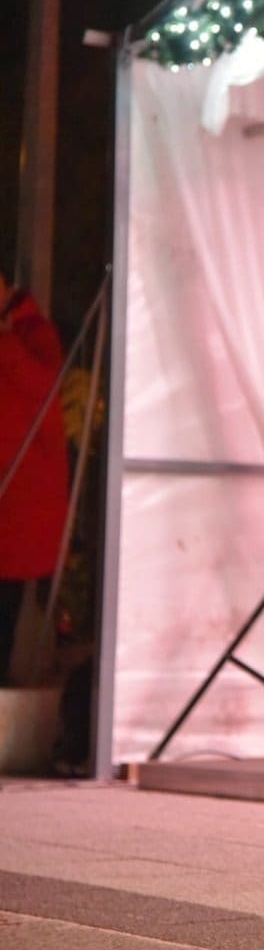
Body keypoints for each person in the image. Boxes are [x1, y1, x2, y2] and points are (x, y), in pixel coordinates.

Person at [0, 269, 69, 686]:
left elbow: (44, 387)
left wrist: (5, 341)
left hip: (18, 500)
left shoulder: (34, 334)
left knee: (6, 606)